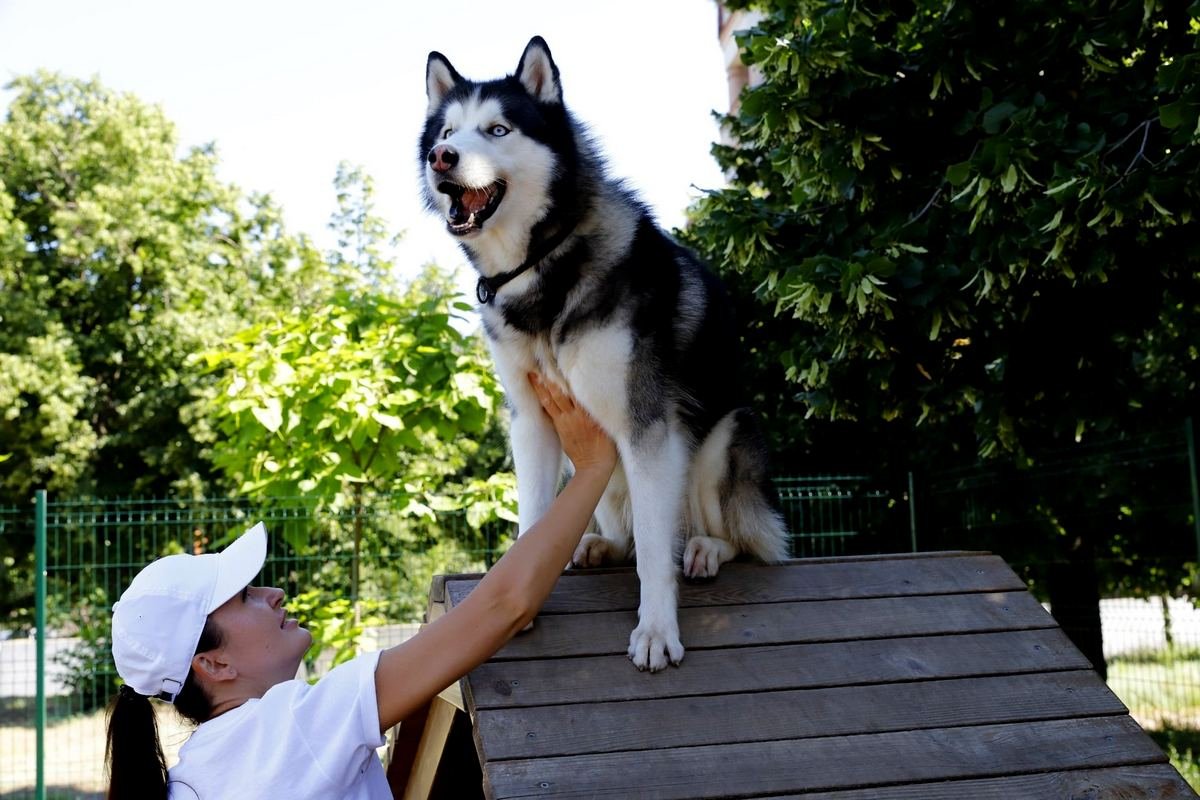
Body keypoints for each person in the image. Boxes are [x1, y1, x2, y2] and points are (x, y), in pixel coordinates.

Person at [104, 373, 617, 799]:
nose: (272, 593)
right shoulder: (284, 733)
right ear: (213, 664)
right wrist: (593, 467)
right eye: (243, 597)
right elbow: (503, 607)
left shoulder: (201, 772)